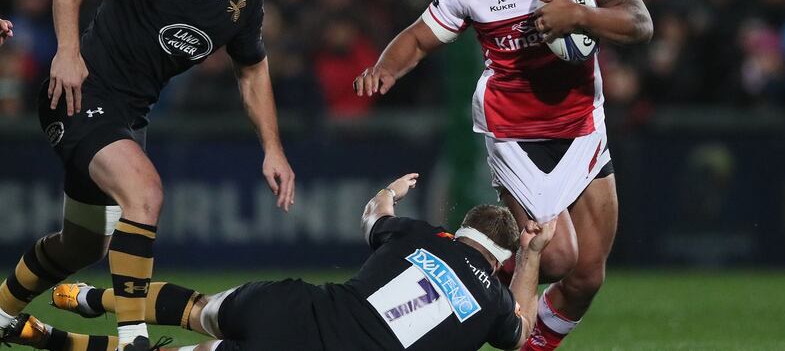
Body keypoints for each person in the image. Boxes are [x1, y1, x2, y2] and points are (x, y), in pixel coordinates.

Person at [352, 0, 653, 349]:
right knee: (556, 257)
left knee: (588, 275)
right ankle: (458, 264)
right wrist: (386, 67)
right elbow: (418, 36)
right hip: (516, 134)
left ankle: (526, 341)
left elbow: (640, 24)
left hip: (583, 124)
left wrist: (581, 16)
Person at [0, 0, 296, 349]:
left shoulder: (246, 1)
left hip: (129, 118)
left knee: (82, 247)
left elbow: (252, 73)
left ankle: (0, 313)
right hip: (81, 96)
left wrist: (272, 148)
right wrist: (67, 52)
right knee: (146, 192)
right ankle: (133, 338)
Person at [4, 173, 556, 351]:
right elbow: (525, 331)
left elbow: (372, 215)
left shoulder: (422, 236)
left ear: (460, 231)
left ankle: (95, 297)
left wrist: (391, 191)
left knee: (197, 310)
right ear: (501, 259)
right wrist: (532, 256)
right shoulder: (494, 303)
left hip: (290, 303)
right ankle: (47, 339)